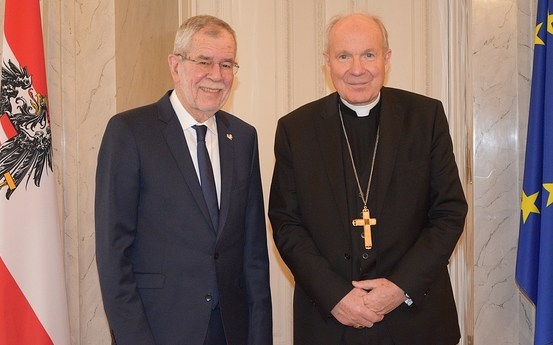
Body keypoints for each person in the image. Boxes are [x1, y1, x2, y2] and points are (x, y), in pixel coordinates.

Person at [268, 12, 468, 345]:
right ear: (327, 61)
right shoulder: (296, 129)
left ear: (386, 59)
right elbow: (286, 223)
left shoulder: (425, 117)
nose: (356, 69)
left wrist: (400, 287)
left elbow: (449, 213)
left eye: (369, 55)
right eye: (344, 55)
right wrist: (335, 296)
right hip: (330, 322)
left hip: (416, 320)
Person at [95, 15, 272, 345]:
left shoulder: (244, 138)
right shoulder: (130, 132)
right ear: (175, 66)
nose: (216, 76)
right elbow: (112, 254)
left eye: (227, 64)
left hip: (229, 332)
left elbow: (254, 257)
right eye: (204, 61)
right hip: (160, 330)